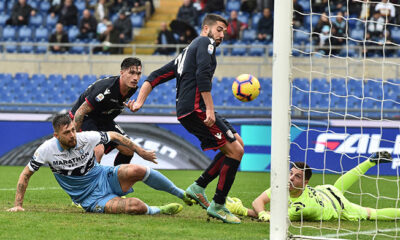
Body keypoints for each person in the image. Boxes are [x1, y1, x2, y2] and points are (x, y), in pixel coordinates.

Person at [124, 14, 244, 224]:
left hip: (190, 108)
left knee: (237, 145)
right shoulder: (205, 42)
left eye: (225, 31)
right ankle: (218, 204)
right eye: (219, 29)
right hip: (196, 108)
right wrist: (209, 108)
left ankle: (198, 187)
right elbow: (203, 75)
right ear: (206, 28)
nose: (222, 34)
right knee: (236, 151)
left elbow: (154, 77)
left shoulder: (187, 51)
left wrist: (139, 102)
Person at [7, 113, 193, 214]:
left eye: (73, 130)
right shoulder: (46, 150)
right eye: (67, 133)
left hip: (104, 176)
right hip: (90, 198)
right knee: (134, 206)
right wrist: (18, 204)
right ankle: (158, 210)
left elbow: (115, 136)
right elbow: (26, 174)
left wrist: (141, 152)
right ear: (56, 136)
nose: (72, 136)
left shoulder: (85, 137)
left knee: (138, 169)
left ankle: (181, 194)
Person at [226, 151, 400, 222]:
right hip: (325, 190)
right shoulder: (285, 185)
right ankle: (370, 161)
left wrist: (242, 210)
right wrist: (262, 212)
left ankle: (370, 162)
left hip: (339, 207)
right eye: (291, 173)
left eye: (297, 177)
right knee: (336, 187)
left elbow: (276, 218)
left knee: (371, 214)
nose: (291, 178)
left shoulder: (303, 208)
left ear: (305, 182)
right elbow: (259, 201)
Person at [70, 57, 145, 165]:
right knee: (98, 150)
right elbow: (80, 112)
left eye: (138, 74)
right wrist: (74, 139)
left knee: (128, 149)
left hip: (104, 120)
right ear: (122, 73)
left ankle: (116, 179)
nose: (135, 77)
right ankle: (91, 181)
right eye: (132, 73)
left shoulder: (132, 88)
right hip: (86, 117)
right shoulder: (106, 89)